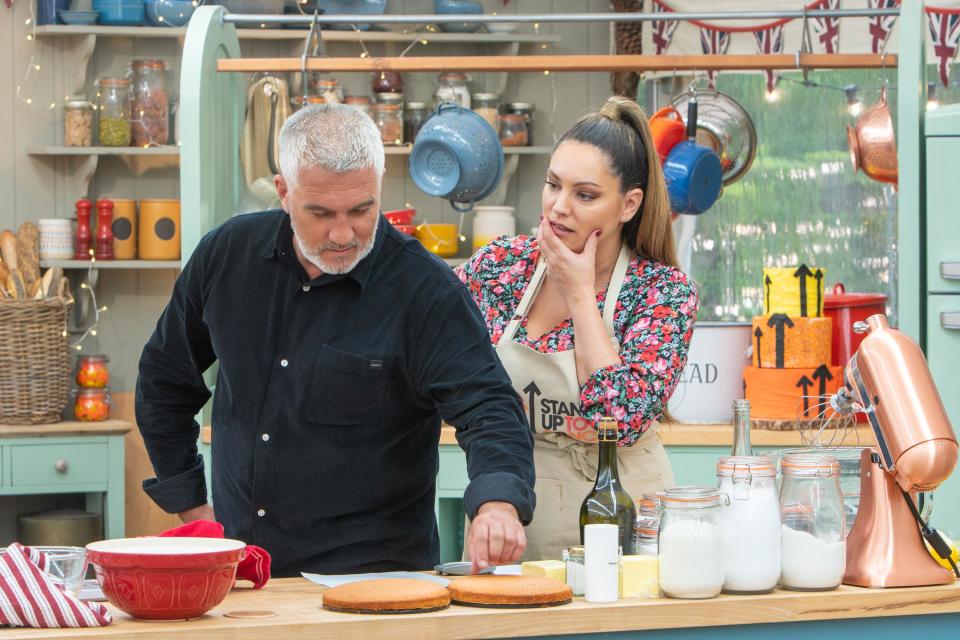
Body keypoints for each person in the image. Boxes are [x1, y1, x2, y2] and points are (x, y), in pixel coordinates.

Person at [136, 104, 535, 577]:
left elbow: (488, 405)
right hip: (242, 580)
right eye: (321, 212)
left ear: (380, 186)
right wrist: (193, 509)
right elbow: (164, 380)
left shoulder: (424, 289)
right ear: (284, 192)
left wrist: (497, 502)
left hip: (378, 583)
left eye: (361, 209)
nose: (343, 234)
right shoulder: (227, 256)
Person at [456, 96, 699, 562]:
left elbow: (621, 418)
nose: (559, 207)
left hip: (626, 520)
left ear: (629, 204)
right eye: (553, 185)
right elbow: (431, 356)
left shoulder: (662, 292)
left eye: (585, 195)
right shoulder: (500, 267)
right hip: (513, 515)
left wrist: (580, 295)